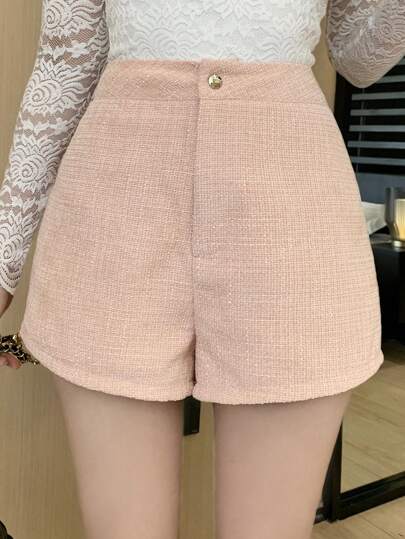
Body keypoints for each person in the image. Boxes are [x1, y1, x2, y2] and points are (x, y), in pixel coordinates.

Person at [0, 1, 404, 538]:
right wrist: (4, 255)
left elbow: (359, 57)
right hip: (114, 214)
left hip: (291, 219)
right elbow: (62, 70)